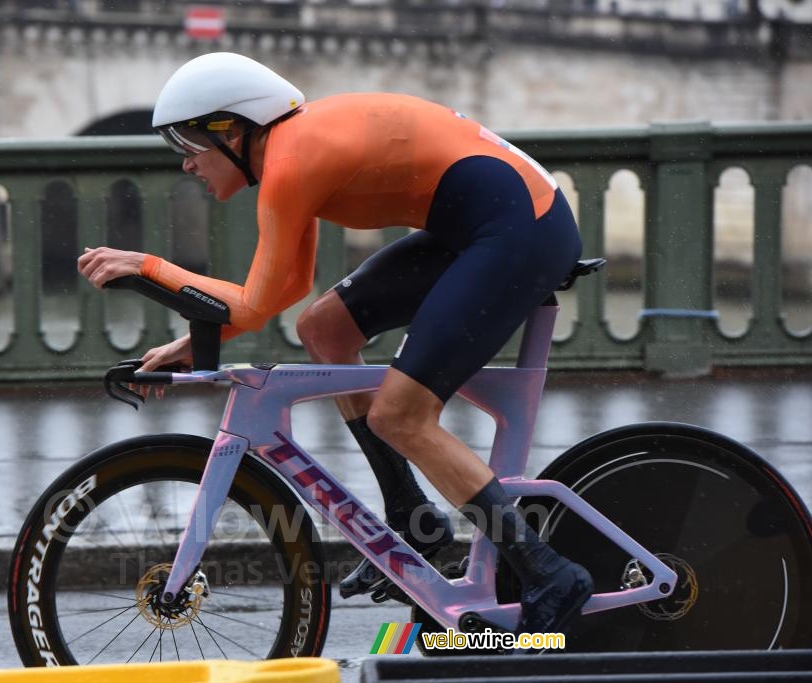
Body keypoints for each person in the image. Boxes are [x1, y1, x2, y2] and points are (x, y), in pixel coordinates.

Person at [77, 52, 593, 635]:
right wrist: (198, 340)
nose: (186, 164)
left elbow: (254, 301)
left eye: (188, 144)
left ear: (233, 130)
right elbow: (289, 289)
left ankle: (550, 572)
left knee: (403, 416)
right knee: (324, 329)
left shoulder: (296, 158)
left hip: (521, 230)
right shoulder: (292, 152)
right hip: (479, 228)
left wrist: (146, 266)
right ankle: (411, 515)